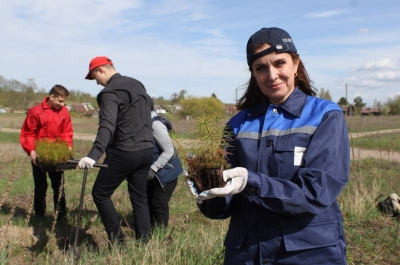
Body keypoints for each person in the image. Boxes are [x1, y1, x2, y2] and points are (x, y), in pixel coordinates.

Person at [186, 27, 350, 264]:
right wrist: (206, 191)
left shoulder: (325, 116)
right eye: (261, 68)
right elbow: (223, 206)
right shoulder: (237, 125)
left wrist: (251, 181)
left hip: (308, 252)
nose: (272, 75)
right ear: (253, 73)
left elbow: (315, 193)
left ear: (295, 64)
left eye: (279, 63)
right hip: (247, 253)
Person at [78, 56, 154, 244]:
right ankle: (145, 242)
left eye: (95, 77)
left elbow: (106, 126)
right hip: (146, 150)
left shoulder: (109, 92)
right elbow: (150, 107)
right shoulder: (137, 84)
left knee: (100, 193)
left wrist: (93, 156)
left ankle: (118, 242)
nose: (97, 83)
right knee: (139, 197)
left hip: (125, 151)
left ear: (101, 70)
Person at [20, 85, 73, 220]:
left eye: (64, 102)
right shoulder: (35, 111)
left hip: (56, 155)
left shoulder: (64, 112)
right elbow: (28, 134)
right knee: (40, 187)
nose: (62, 104)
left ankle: (61, 217)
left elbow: (67, 132)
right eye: (60, 101)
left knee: (59, 187)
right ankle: (39, 216)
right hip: (39, 154)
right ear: (52, 96)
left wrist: (68, 146)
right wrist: (31, 151)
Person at [147, 102, 183, 229]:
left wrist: (153, 168)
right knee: (150, 202)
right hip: (156, 174)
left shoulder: (155, 125)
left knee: (158, 204)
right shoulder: (145, 123)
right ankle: (152, 230)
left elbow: (169, 151)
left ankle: (160, 235)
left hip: (167, 173)